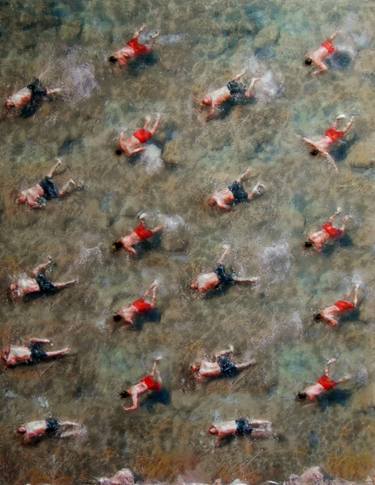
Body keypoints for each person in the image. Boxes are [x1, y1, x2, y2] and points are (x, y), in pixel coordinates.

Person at [191, 245, 258, 294]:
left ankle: (253, 280)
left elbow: (210, 288)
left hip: (221, 279)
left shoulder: (201, 289)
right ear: (195, 282)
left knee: (236, 280)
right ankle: (227, 249)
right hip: (217, 272)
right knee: (219, 262)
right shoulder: (199, 278)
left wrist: (215, 288)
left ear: (196, 289)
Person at [17, 159, 81, 209]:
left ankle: (69, 182)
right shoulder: (24, 192)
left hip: (46, 191)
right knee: (49, 175)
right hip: (41, 185)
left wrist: (35, 206)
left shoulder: (30, 202)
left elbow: (42, 204)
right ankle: (58, 163)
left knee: (59, 194)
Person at [8, 256, 78, 302]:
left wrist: (14, 288)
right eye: (15, 296)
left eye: (13, 293)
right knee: (56, 286)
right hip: (42, 287)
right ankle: (72, 283)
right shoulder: (24, 297)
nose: (15, 293)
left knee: (35, 270)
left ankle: (49, 262)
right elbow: (23, 297)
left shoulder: (16, 286)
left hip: (37, 280)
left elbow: (15, 284)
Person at [191, 345, 256, 381]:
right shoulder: (202, 364)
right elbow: (210, 366)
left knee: (239, 366)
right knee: (217, 354)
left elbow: (213, 372)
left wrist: (221, 372)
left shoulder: (202, 371)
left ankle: (252, 363)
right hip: (221, 364)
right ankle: (231, 351)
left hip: (222, 367)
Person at [1, 338, 69, 367]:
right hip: (30, 355)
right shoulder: (9, 359)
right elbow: (14, 362)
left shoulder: (11, 348)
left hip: (29, 349)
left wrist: (25, 346)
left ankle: (46, 341)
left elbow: (21, 347)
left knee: (31, 339)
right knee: (44, 354)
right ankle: (61, 351)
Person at [208, 418, 273, 447]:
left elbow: (218, 444)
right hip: (238, 421)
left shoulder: (220, 434)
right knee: (252, 422)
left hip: (239, 428)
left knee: (253, 431)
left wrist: (215, 444)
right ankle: (268, 422)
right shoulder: (221, 425)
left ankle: (269, 432)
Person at [17, 418, 83, 444]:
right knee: (61, 423)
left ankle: (76, 431)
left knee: (60, 435)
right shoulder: (27, 424)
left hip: (48, 427)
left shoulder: (28, 433)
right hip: (47, 422)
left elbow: (32, 438)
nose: (22, 428)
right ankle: (75, 425)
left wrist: (24, 441)